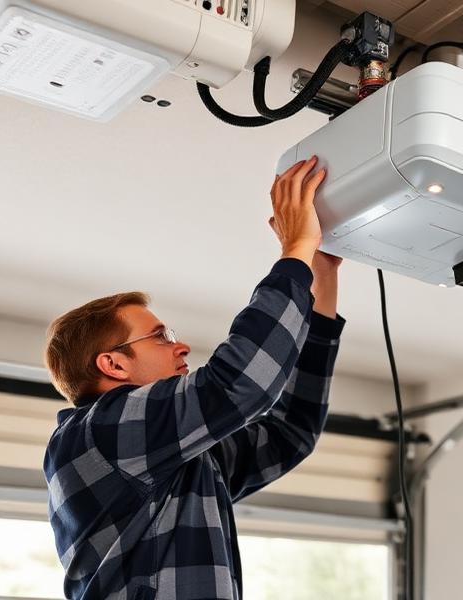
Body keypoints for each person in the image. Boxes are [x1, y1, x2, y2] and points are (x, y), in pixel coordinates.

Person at [43, 156, 342, 600]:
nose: (181, 346)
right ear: (114, 365)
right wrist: (294, 251)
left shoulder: (174, 458)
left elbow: (288, 431)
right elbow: (240, 384)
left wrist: (321, 274)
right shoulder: (99, 434)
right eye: (161, 336)